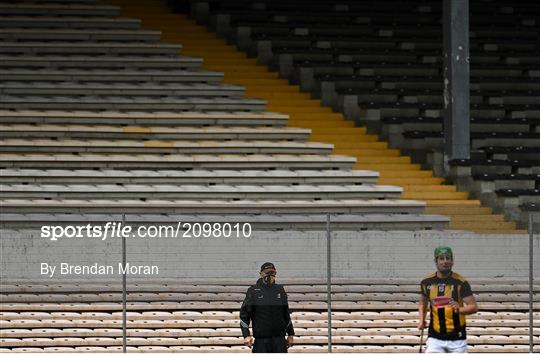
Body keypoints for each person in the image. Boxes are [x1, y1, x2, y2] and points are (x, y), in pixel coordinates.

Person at [418, 246, 478, 353]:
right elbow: (423, 302)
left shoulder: (461, 282)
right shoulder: (426, 282)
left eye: (448, 258)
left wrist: (459, 309)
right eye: (441, 258)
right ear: (436, 262)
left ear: (452, 262)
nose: (445, 261)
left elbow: (473, 307)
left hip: (457, 338)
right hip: (435, 337)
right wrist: (421, 320)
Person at [240, 262, 295, 353]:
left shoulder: (280, 290)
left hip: (279, 340)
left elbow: (286, 314)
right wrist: (246, 335)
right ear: (261, 274)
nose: (270, 275)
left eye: (272, 273)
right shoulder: (253, 291)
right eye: (267, 273)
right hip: (261, 340)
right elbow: (244, 315)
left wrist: (290, 334)